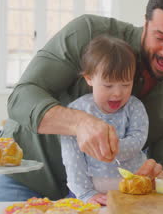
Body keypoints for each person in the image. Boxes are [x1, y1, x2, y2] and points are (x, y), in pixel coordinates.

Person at [0, 0, 163, 201]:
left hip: (97, 199)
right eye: (159, 37)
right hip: (24, 178)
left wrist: (157, 175)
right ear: (146, 23)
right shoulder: (88, 33)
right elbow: (22, 97)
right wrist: (79, 123)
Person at [60, 36, 148, 205]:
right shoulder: (76, 111)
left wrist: (112, 146)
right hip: (88, 193)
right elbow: (72, 158)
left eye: (126, 84)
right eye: (108, 86)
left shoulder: (135, 107)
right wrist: (85, 193)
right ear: (89, 78)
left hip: (132, 191)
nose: (117, 93)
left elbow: (138, 140)